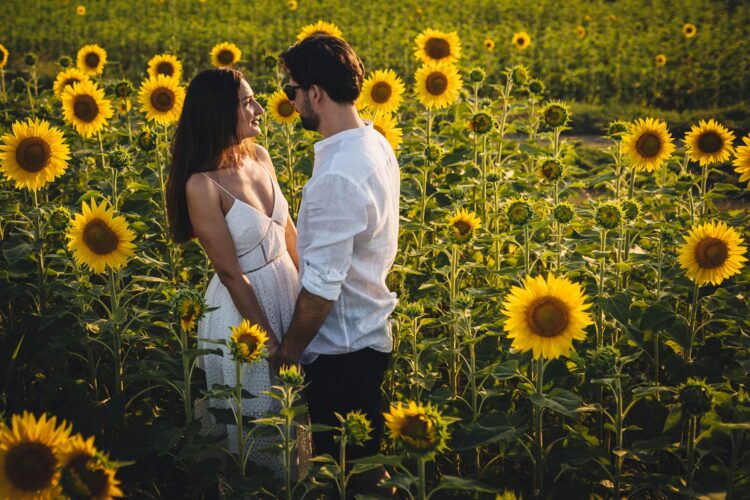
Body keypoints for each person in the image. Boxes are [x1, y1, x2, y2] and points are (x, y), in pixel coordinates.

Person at [270, 35, 400, 494]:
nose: (291, 101)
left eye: (292, 91)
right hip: (368, 335)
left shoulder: (338, 175)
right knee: (362, 467)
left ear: (316, 94)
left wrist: (288, 353)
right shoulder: (374, 145)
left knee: (351, 477)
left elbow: (323, 288)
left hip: (341, 351)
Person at [166, 68, 309, 477]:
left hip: (287, 289)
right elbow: (230, 274)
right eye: (247, 102)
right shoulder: (202, 185)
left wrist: (310, 299)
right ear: (218, 113)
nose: (260, 109)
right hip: (244, 314)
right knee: (256, 424)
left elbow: (289, 233)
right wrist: (273, 345)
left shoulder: (260, 156)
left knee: (296, 418)